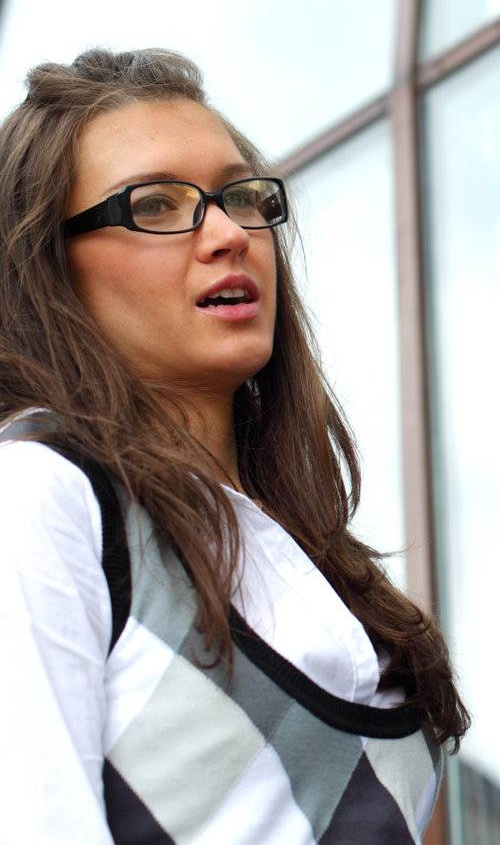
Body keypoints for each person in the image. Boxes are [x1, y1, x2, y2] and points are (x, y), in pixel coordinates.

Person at [0, 48, 468, 843]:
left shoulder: (331, 571)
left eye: (241, 196)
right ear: (49, 266)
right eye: (155, 205)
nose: (227, 232)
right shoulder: (40, 495)